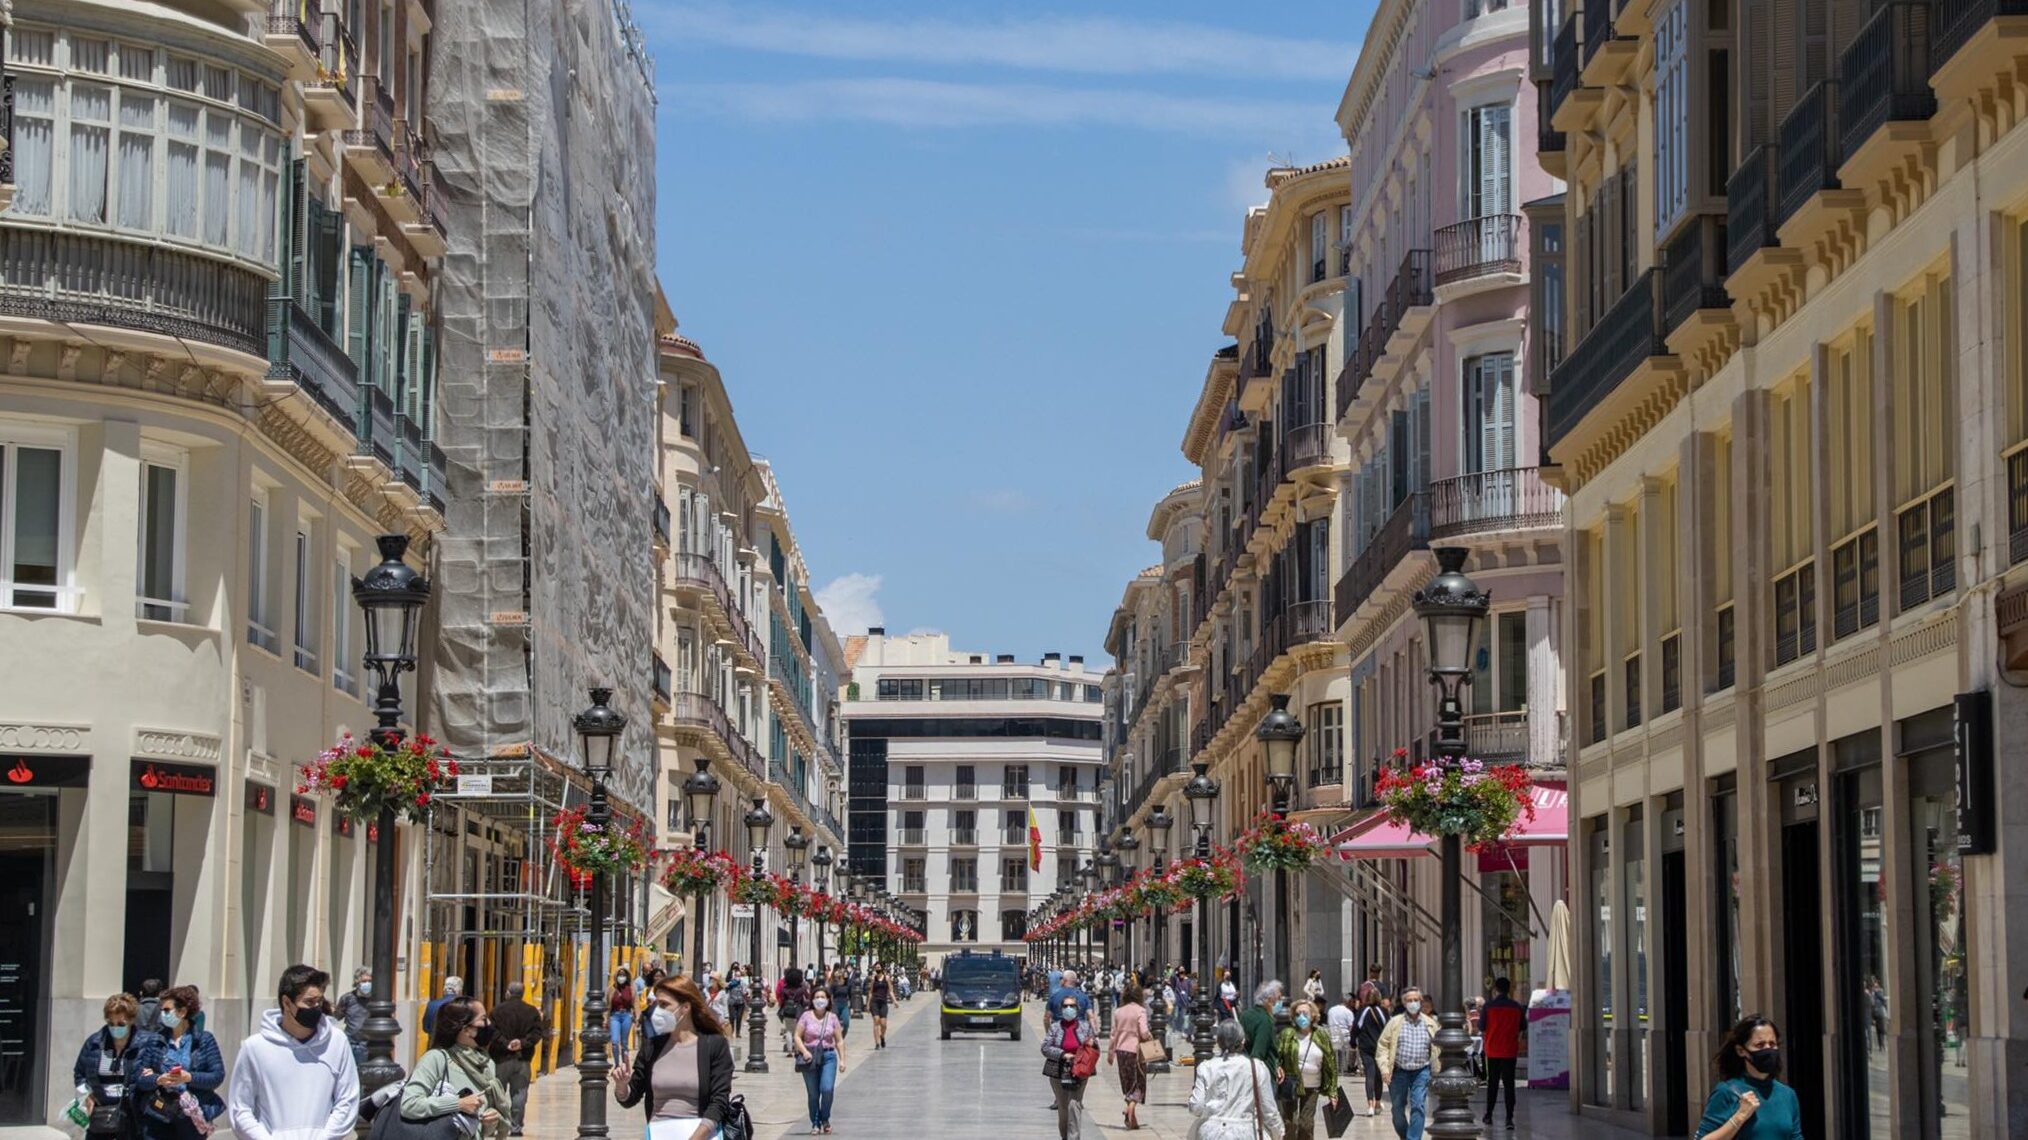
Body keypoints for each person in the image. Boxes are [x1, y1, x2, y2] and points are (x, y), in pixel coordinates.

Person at [227, 964, 359, 1140]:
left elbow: (347, 1100)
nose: (316, 1008)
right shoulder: (255, 1048)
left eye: (319, 1001)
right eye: (309, 1002)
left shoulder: (337, 1042)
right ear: (286, 1003)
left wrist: (325, 1137)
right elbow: (240, 1108)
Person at [615, 976, 736, 1140]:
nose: (657, 1011)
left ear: (685, 1007)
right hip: (658, 1133)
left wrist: (695, 1138)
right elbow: (630, 1098)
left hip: (700, 1134)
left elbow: (719, 1101)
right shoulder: (652, 1046)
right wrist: (622, 1086)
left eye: (664, 1005)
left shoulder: (714, 1045)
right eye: (656, 1004)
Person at [399, 996, 509, 1140]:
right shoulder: (436, 1059)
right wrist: (458, 1104)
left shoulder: (486, 1063)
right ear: (466, 1030)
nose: (488, 1023)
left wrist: (492, 1120)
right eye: (483, 1019)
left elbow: (479, 1128)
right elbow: (409, 1105)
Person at [1693, 1016, 1804, 1139]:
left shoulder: (1787, 1095)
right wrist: (1740, 1116)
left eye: (1772, 1044)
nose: (1768, 1049)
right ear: (1741, 1051)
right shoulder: (1726, 1092)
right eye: (1760, 1045)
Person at [137, 986, 225, 1140]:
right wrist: (158, 1079)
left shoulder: (203, 1040)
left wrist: (189, 1077)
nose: (162, 1015)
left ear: (182, 1012)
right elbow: (140, 1077)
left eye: (166, 1010)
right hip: (160, 1114)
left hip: (190, 1117)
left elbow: (217, 1076)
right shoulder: (156, 1040)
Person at [73, 993, 158, 1140]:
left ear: (131, 1020)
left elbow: (157, 1073)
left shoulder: (147, 1043)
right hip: (102, 1115)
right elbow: (79, 1074)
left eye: (121, 1024)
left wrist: (153, 1075)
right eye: (110, 1023)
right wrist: (87, 1094)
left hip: (133, 1116)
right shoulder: (94, 1043)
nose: (115, 1028)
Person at [1188, 1019, 1285, 1140]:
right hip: (1245, 1132)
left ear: (1218, 1041)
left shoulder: (1206, 1067)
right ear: (1243, 1041)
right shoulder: (1257, 1067)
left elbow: (1196, 1107)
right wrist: (1278, 1132)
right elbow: (1269, 1109)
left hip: (1211, 1132)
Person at [1375, 986, 1439, 1140]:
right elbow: (1383, 1046)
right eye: (1409, 1000)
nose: (1413, 1003)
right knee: (1397, 1110)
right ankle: (1406, 1136)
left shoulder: (1430, 1023)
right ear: (1404, 1003)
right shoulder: (1395, 1023)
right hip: (1399, 1071)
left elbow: (1438, 1047)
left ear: (1420, 1001)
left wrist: (1437, 1068)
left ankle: (1413, 1138)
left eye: (1416, 1000)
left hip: (1421, 1071)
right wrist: (1384, 1069)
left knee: (1418, 1106)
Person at [1274, 1001, 1341, 1140]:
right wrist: (1278, 1067)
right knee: (1290, 1123)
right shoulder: (1287, 1034)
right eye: (1298, 1014)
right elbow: (1276, 1055)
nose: (1301, 1017)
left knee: (1306, 1124)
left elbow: (1331, 1063)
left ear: (1313, 1015)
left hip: (1312, 1086)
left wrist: (1333, 1092)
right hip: (1290, 1085)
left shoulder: (1321, 1035)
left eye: (1305, 1013)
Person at [489, 982, 545, 1137]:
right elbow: (537, 1034)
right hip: (523, 1059)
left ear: (507, 993)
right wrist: (522, 1043)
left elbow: (492, 1032)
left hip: (501, 1058)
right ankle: (516, 1127)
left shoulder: (496, 1011)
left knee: (498, 1093)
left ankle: (497, 1124)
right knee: (519, 1093)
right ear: (522, 993)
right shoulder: (532, 1011)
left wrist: (506, 1043)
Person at [1041, 993, 1096, 1140]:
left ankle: (1074, 1138)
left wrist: (1089, 1047)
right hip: (1059, 1071)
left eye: (1072, 1006)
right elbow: (1045, 1048)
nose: (1069, 1009)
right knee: (1064, 1108)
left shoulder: (1085, 1028)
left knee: (1074, 1105)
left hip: (1079, 1071)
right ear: (1061, 1009)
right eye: (1066, 1006)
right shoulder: (1055, 1028)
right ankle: (1065, 1136)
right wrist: (1063, 1054)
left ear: (1077, 1009)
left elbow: (1094, 1047)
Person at [793, 986, 846, 1135]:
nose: (820, 1000)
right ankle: (815, 1123)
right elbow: (797, 1036)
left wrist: (842, 1060)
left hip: (828, 1056)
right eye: (817, 997)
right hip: (809, 1057)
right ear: (812, 1000)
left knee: (827, 1089)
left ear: (828, 1000)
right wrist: (804, 1052)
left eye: (823, 997)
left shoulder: (832, 1018)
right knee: (813, 1093)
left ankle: (825, 1118)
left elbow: (839, 1040)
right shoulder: (806, 1016)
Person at [1480, 977, 1525, 1130]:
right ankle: (1509, 1118)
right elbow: (1522, 1027)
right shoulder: (1517, 1007)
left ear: (1495, 990)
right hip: (1510, 1050)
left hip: (1492, 1050)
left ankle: (1488, 1115)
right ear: (1509, 989)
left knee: (1492, 1084)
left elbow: (1481, 1026)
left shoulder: (1488, 1007)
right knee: (1509, 1085)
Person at [1109, 982, 1153, 1130]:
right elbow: (1144, 1031)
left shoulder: (1118, 1011)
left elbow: (1113, 1035)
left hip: (1121, 1051)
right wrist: (1149, 1037)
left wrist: (1110, 1054)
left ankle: (1132, 1121)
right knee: (1138, 1083)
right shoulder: (1140, 1010)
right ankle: (1130, 1108)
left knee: (1127, 1083)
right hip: (1135, 1051)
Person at [1354, 989, 1388, 1117]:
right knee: (1378, 1076)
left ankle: (1370, 1105)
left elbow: (1356, 1027)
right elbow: (1388, 1028)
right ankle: (1378, 1103)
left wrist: (1353, 1041)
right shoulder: (1383, 1012)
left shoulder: (1363, 1011)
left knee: (1370, 1074)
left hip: (1366, 1047)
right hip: (1380, 1048)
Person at [333, 969, 372, 1066]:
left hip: (369, 1045)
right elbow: (336, 1017)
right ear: (357, 982)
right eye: (364, 981)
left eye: (369, 981)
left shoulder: (375, 1000)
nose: (367, 984)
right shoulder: (348, 998)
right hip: (350, 1043)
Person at [1240, 981, 1284, 1065]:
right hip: (1263, 1071)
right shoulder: (1265, 1020)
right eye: (1279, 998)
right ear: (1270, 1000)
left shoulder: (1245, 1015)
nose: (1280, 1002)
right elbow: (1258, 1053)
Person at [608, 968, 637, 1070]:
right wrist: (605, 1019)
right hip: (614, 1016)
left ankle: (625, 1064)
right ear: (616, 976)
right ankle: (616, 1064)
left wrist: (636, 1017)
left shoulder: (631, 989)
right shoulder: (612, 989)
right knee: (615, 1042)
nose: (621, 977)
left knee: (624, 1042)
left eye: (623, 975)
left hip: (626, 1015)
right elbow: (608, 1006)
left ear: (627, 976)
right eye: (620, 975)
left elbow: (635, 1004)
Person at [1327, 993, 1359, 1075]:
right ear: (1348, 1002)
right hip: (1344, 1038)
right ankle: (1349, 1066)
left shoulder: (1331, 1010)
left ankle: (1337, 1066)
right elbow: (1351, 1027)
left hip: (1332, 1036)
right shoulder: (1348, 1012)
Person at [868, 969, 892, 1049]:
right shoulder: (873, 979)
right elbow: (870, 992)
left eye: (879, 967)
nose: (877, 969)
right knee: (876, 1021)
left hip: (883, 1003)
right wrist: (868, 1004)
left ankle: (882, 1036)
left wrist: (895, 1001)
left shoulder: (887, 978)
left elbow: (890, 991)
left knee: (883, 1024)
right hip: (874, 1002)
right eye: (876, 967)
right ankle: (877, 1043)